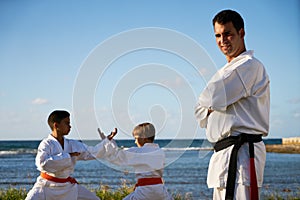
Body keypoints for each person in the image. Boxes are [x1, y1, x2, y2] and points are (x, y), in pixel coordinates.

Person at [195, 10, 270, 200]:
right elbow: (199, 112)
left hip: (243, 155)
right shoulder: (224, 71)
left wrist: (214, 105)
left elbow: (210, 96)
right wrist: (215, 104)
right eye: (218, 35)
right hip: (222, 156)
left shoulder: (250, 65)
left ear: (241, 33)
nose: (223, 40)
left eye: (228, 33)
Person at [26, 110, 116, 200]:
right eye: (67, 123)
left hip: (68, 187)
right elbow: (42, 163)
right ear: (56, 125)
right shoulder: (46, 144)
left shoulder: (72, 144)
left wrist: (107, 141)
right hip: (46, 186)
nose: (70, 126)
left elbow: (91, 152)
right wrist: (68, 156)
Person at [99, 122, 173, 200]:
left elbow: (116, 157)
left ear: (144, 137)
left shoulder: (138, 152)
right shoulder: (160, 152)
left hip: (144, 191)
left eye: (136, 138)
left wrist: (107, 141)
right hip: (160, 190)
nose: (135, 142)